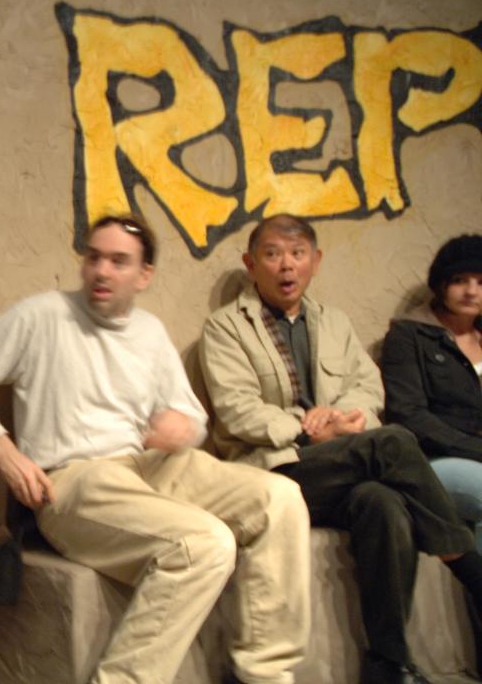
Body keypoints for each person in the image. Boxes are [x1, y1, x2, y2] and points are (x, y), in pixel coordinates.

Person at [0, 215, 311, 684]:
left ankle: (265, 675)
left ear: (144, 274)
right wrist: (4, 452)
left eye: (118, 261)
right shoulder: (43, 315)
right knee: (202, 544)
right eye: (94, 257)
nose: (102, 271)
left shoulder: (149, 332)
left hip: (150, 466)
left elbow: (190, 416)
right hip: (76, 478)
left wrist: (182, 428)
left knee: (280, 499)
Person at [199, 214, 482, 684]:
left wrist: (347, 421)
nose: (286, 265)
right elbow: (238, 411)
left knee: (382, 501)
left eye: (297, 254)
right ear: (251, 263)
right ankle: (469, 568)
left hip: (339, 466)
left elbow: (367, 390)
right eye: (272, 254)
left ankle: (388, 662)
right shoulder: (225, 327)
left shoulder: (334, 322)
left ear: (315, 261)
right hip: (273, 472)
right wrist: (307, 430)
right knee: (393, 441)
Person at [381, 234, 482, 551]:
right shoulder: (408, 334)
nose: (471, 291)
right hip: (431, 460)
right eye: (460, 280)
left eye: (481, 282)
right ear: (440, 284)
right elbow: (408, 414)